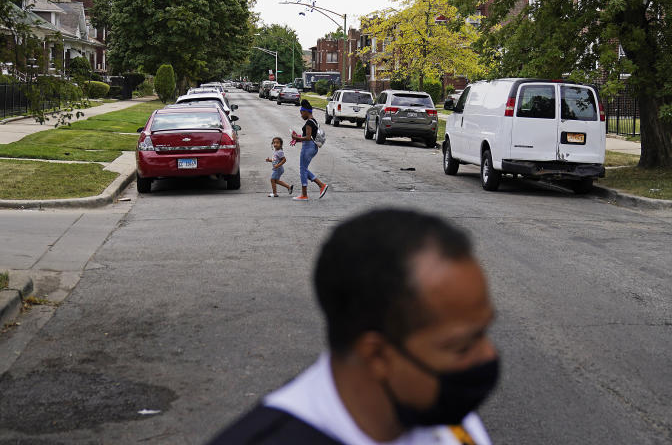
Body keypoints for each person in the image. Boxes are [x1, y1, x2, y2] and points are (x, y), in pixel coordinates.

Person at [206, 209, 499, 444]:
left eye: (485, 332)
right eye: (463, 347)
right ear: (377, 356)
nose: (488, 355)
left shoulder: (440, 414)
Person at [291, 99, 328, 201]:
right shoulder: (314, 121)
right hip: (313, 147)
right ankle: (321, 185)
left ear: (306, 111)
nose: (301, 115)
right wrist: (298, 140)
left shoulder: (308, 123)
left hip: (308, 147)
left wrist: (296, 138)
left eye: (302, 112)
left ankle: (304, 194)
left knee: (302, 170)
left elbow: (307, 138)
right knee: (304, 169)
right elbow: (310, 137)